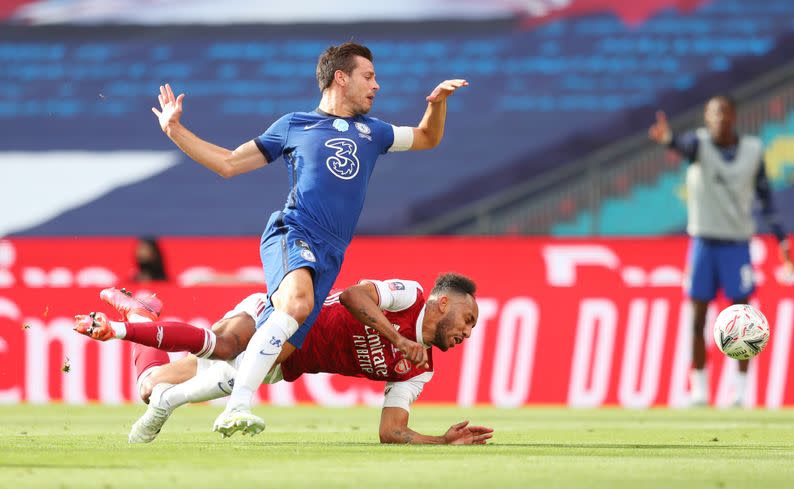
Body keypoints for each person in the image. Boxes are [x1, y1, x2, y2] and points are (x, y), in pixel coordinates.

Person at [151, 42, 468, 435]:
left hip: (330, 256)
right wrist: (175, 130)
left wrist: (437, 103)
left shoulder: (375, 132)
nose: (377, 86)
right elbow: (229, 164)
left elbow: (426, 137)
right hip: (293, 230)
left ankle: (166, 401)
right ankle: (235, 408)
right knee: (297, 303)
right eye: (368, 76)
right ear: (341, 77)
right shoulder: (294, 125)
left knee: (272, 358)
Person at [75, 273, 489, 444]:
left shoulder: (419, 371)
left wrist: (440, 440)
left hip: (280, 365)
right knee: (226, 351)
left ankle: (140, 314)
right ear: (440, 303)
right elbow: (353, 295)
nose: (468, 333)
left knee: (151, 388)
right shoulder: (411, 296)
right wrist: (396, 337)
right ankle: (135, 327)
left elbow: (391, 430)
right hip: (276, 318)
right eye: (467, 319)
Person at [648, 94, 794, 407]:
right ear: (706, 116)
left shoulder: (753, 151)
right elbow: (682, 145)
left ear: (734, 116)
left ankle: (740, 391)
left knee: (742, 318)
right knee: (696, 318)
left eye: (724, 113)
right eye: (713, 114)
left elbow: (766, 200)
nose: (718, 119)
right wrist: (668, 140)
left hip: (736, 244)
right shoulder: (699, 146)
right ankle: (699, 390)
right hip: (703, 242)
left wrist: (781, 241)